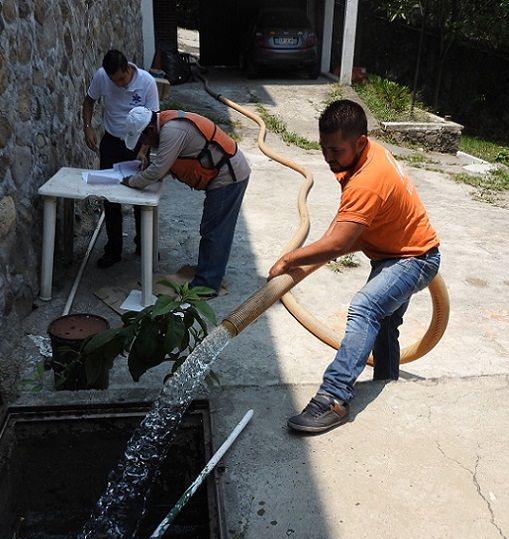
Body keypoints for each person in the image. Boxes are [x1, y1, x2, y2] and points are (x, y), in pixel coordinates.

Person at [268, 99, 441, 433]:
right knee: (385, 323)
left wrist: (288, 259)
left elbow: (338, 244)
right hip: (393, 251)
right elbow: (345, 228)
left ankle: (333, 397)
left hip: (413, 259)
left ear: (360, 142)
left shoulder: (367, 180)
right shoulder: (367, 152)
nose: (329, 158)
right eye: (324, 149)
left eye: (336, 150)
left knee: (365, 308)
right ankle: (386, 383)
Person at [120, 106, 251, 296]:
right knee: (213, 229)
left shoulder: (172, 131)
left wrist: (130, 181)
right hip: (224, 173)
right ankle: (209, 273)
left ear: (149, 130)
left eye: (143, 140)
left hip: (229, 177)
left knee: (215, 231)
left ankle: (207, 286)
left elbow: (158, 170)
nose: (145, 144)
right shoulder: (166, 126)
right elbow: (162, 166)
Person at [83, 49, 160, 268]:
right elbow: (89, 101)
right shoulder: (101, 77)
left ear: (128, 69)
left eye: (122, 79)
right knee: (110, 196)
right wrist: (87, 128)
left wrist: (144, 150)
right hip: (111, 141)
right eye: (114, 81)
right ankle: (113, 248)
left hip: (137, 142)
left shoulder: (147, 82)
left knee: (139, 193)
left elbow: (153, 121)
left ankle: (143, 245)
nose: (119, 84)